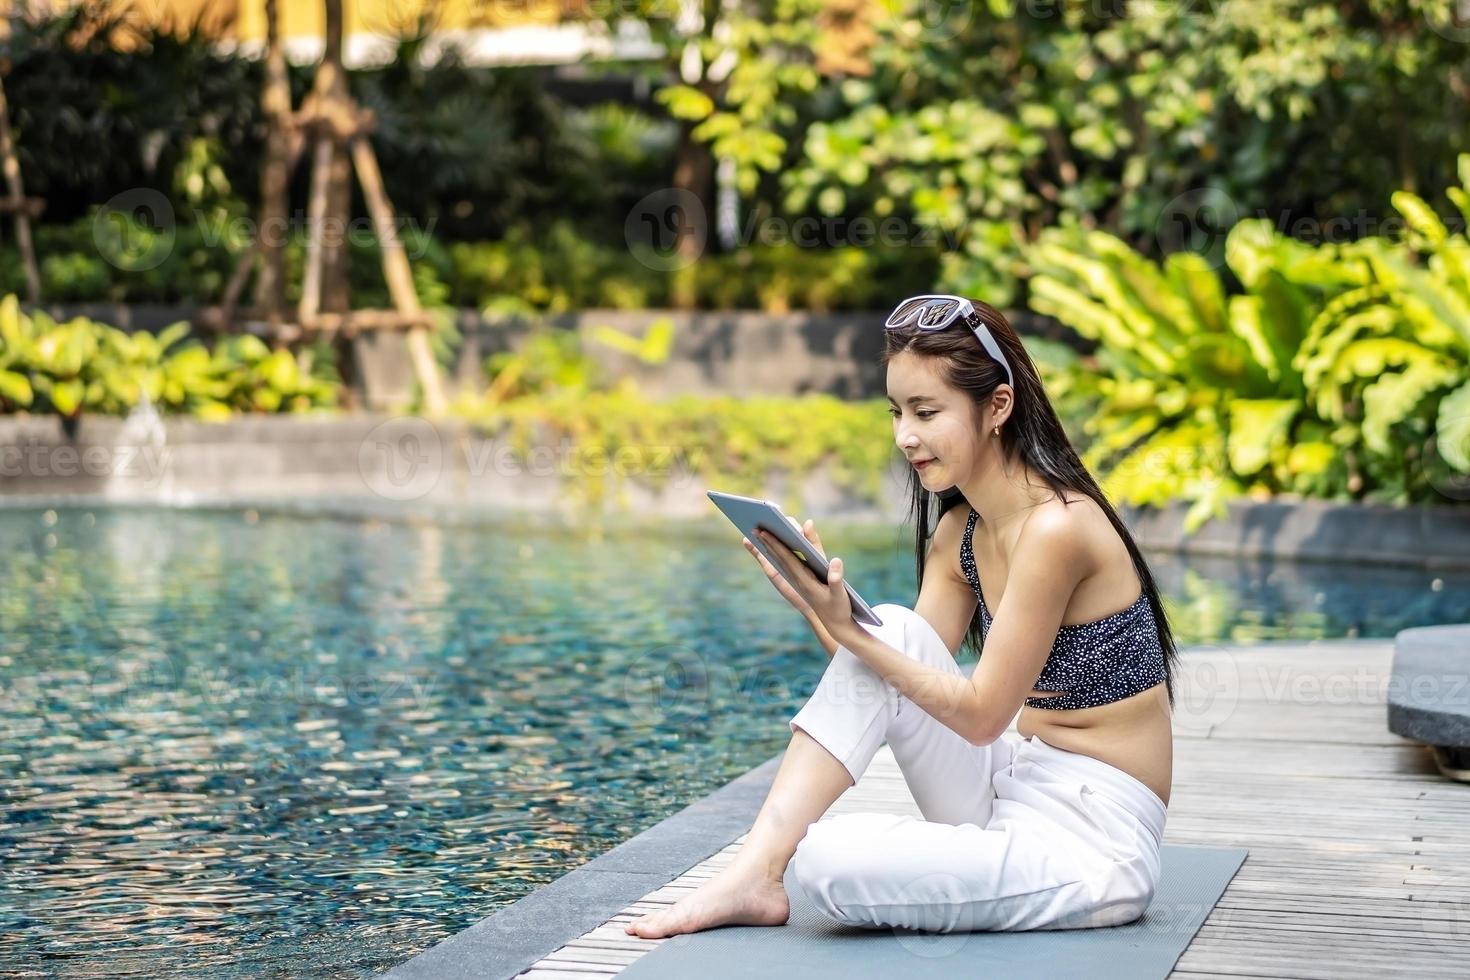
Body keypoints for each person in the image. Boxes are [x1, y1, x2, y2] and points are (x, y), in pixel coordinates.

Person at [625, 295, 1179, 939]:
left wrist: (848, 628)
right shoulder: (960, 535)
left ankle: (790, 864)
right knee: (899, 628)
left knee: (830, 859)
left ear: (997, 406)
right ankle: (755, 869)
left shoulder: (1058, 528)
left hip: (1093, 837)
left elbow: (977, 717)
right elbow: (888, 683)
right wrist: (816, 602)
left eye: (925, 411)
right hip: (1008, 782)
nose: (904, 436)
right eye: (896, 412)